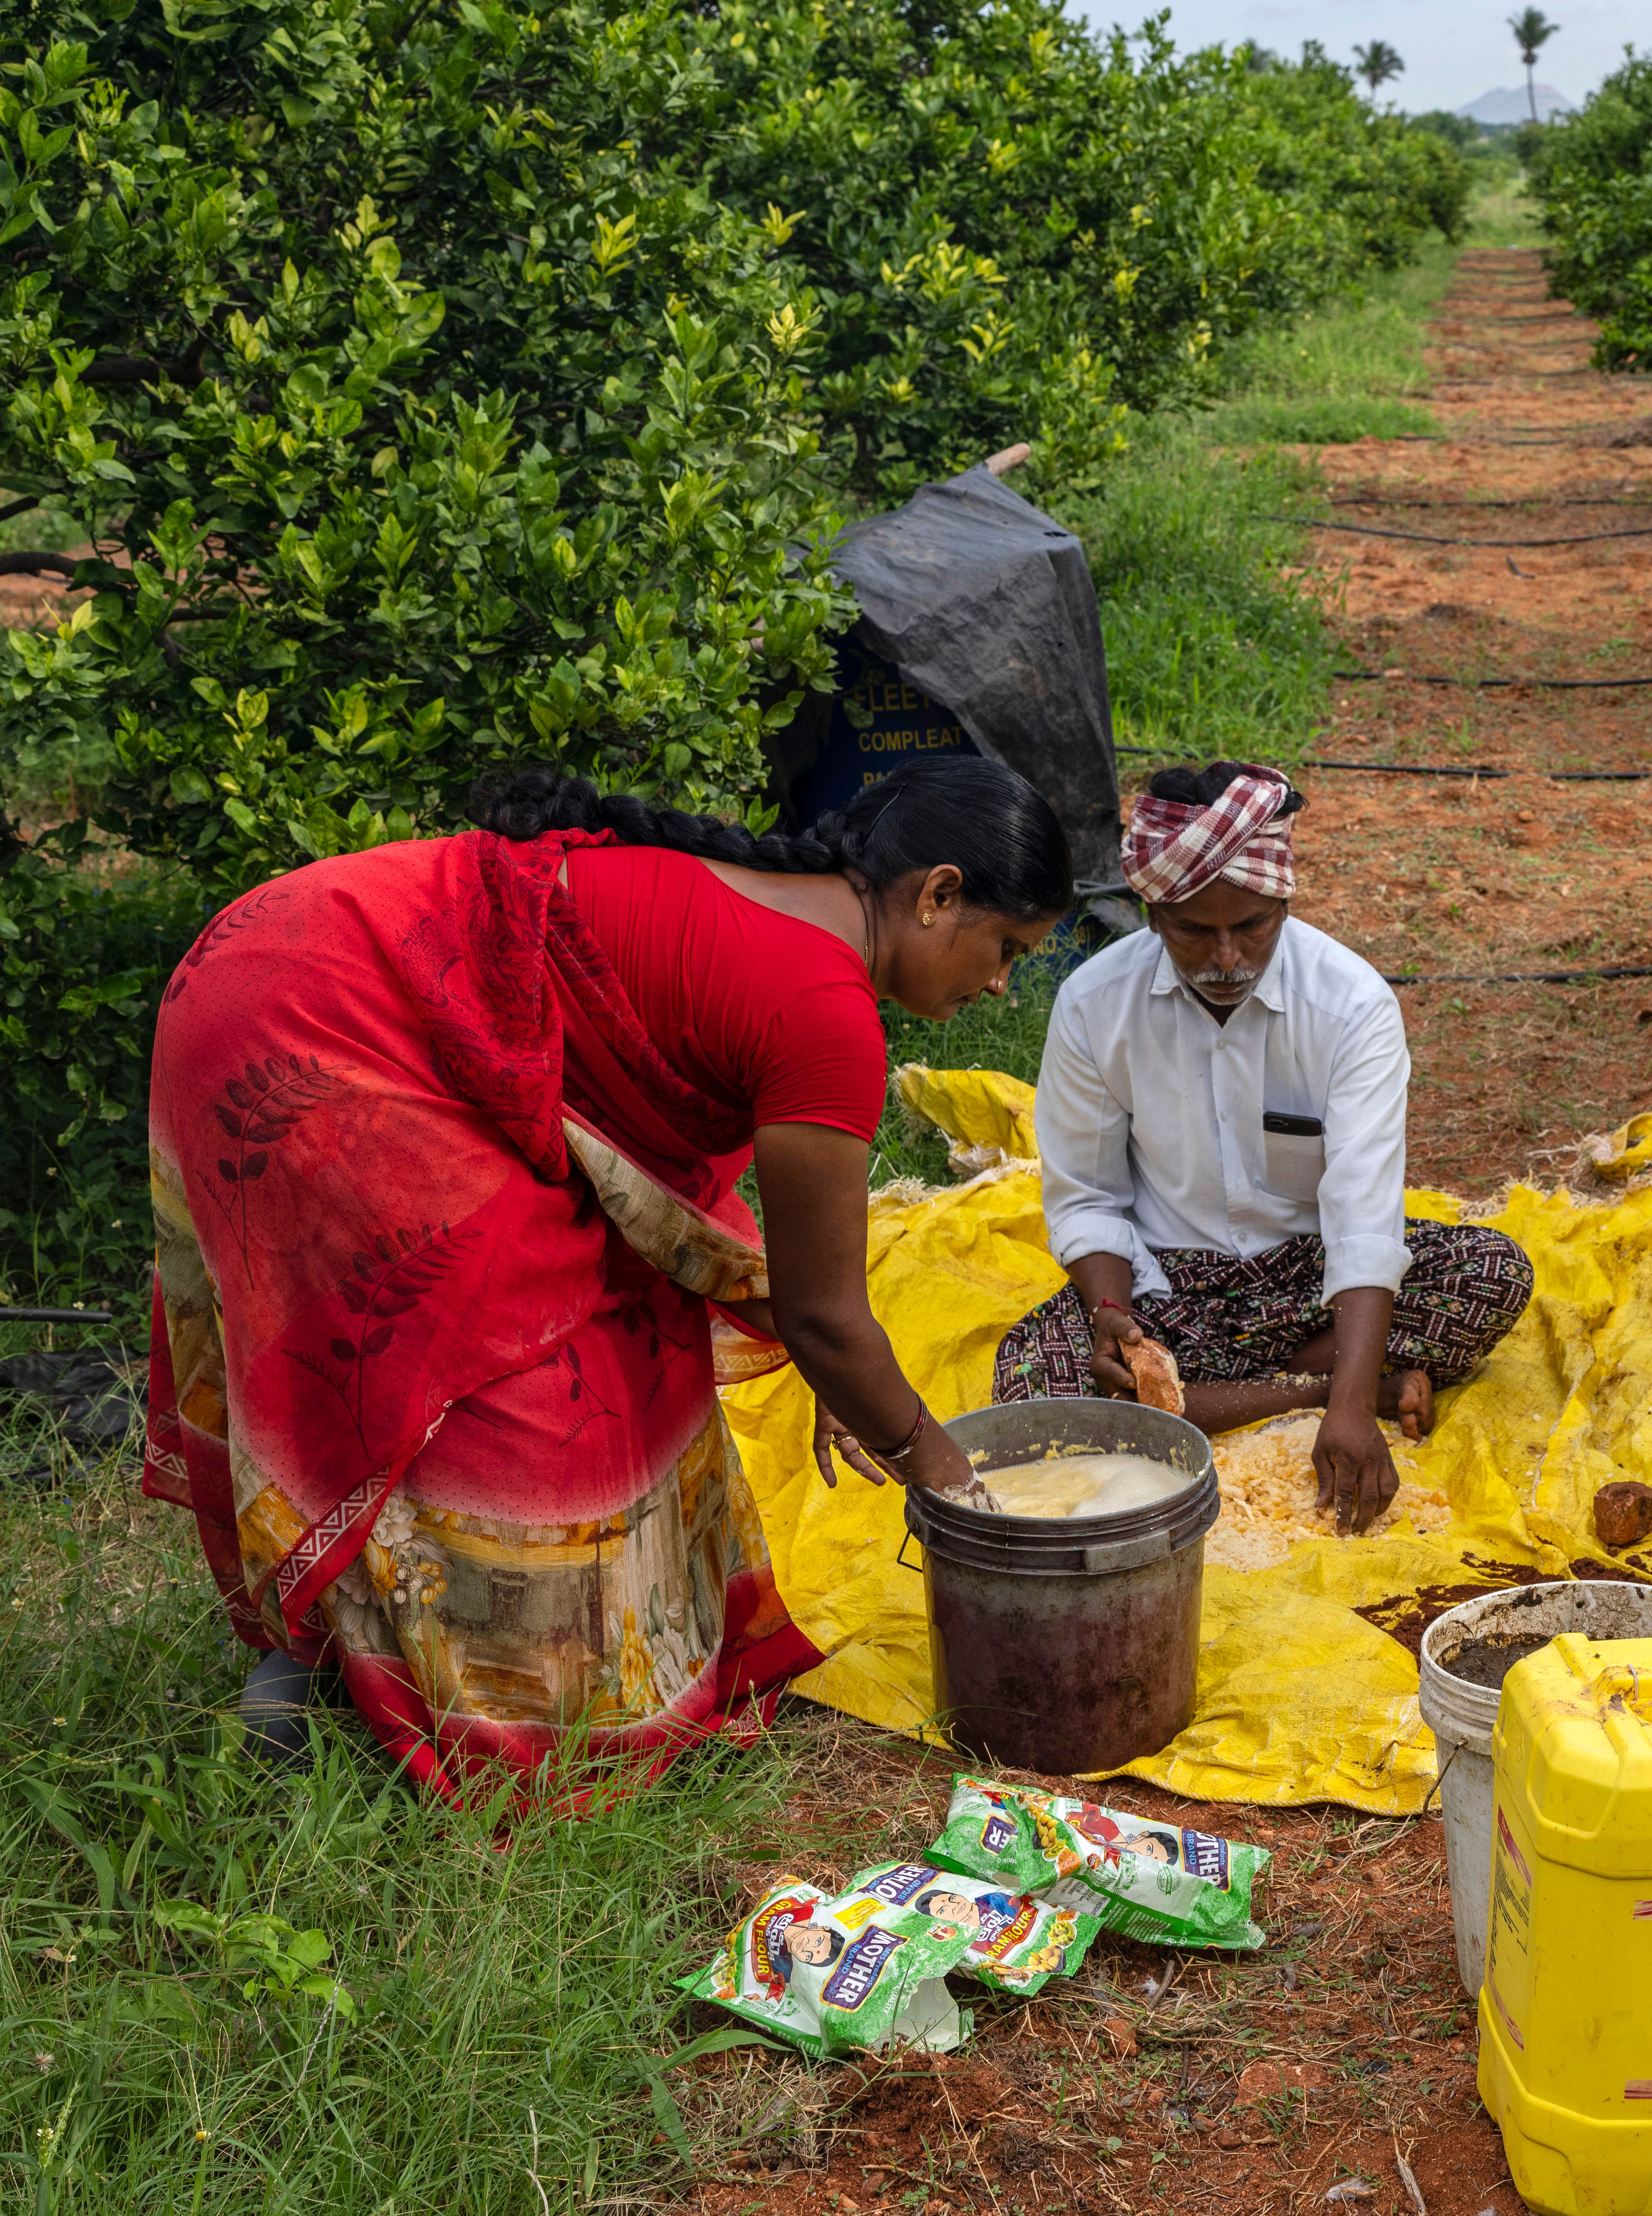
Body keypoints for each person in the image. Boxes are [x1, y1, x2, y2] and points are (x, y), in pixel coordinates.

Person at [145, 760, 1072, 1797]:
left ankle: (350, 1661)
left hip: (299, 963)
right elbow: (824, 1312)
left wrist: (838, 1372)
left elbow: (773, 1279)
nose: (1000, 985)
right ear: (938, 893)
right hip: (315, 1018)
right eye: (1009, 951)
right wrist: (946, 1471)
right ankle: (408, 1705)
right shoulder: (828, 1013)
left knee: (631, 1341)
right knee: (502, 1386)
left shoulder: (785, 915)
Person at [993, 761, 1534, 1526]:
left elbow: (1361, 1215)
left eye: (1252, 926)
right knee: (1030, 1378)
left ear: (1284, 900)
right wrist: (1114, 1312)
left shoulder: (1351, 1005)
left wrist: (1343, 1414)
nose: (1227, 959)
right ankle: (1321, 1380)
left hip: (1311, 1279)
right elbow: (1087, 1194)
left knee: (1492, 1272)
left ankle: (1205, 1398)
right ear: (1152, 915)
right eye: (1194, 931)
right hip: (1166, 1292)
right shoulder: (1094, 1006)